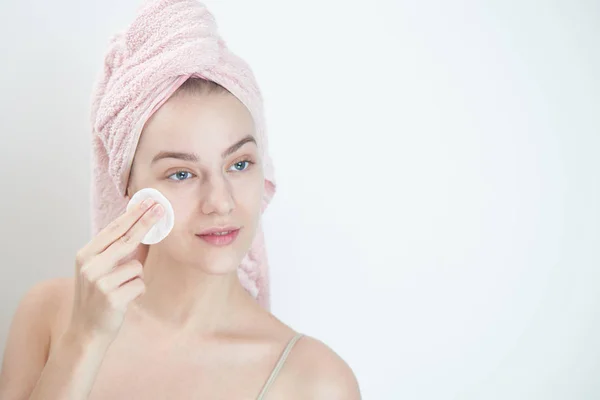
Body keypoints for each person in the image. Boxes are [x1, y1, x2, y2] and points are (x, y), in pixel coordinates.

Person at [0, 4, 361, 400]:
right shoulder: (50, 313)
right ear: (127, 186)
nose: (220, 202)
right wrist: (84, 341)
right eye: (182, 174)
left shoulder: (316, 381)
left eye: (239, 164)